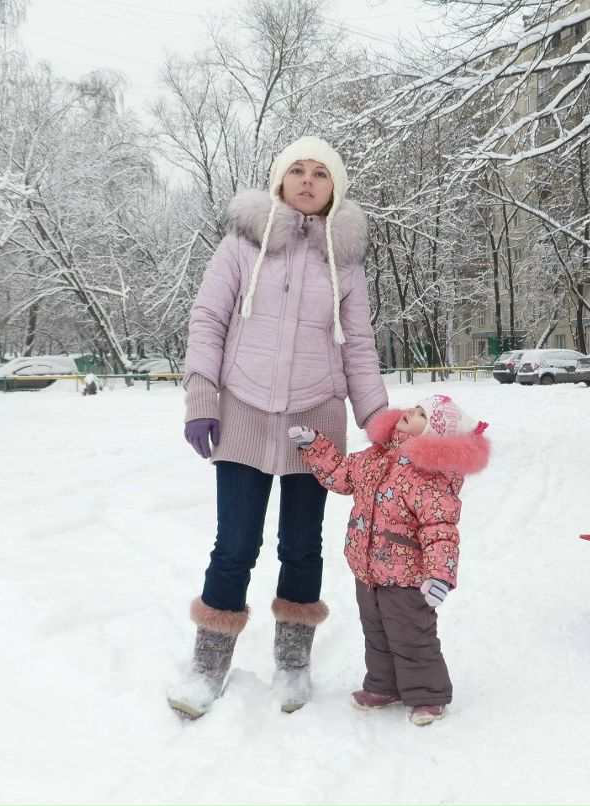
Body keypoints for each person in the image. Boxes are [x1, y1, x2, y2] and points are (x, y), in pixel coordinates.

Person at [167, 136, 387, 719]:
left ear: (334, 187)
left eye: (321, 173)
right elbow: (208, 318)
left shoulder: (347, 263)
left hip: (314, 419)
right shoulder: (241, 247)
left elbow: (359, 346)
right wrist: (200, 398)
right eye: (298, 170)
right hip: (242, 411)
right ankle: (208, 667)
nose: (309, 180)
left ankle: (292, 662)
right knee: (234, 544)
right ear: (280, 180)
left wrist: (378, 418)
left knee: (301, 545)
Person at [287, 394, 490, 725]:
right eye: (415, 405)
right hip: (367, 567)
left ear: (435, 433)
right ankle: (384, 686)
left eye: (422, 413)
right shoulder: (375, 456)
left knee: (411, 633)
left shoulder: (431, 478)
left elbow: (441, 531)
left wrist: (440, 575)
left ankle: (428, 694)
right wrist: (315, 447)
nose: (411, 410)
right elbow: (342, 473)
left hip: (407, 575)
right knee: (376, 631)